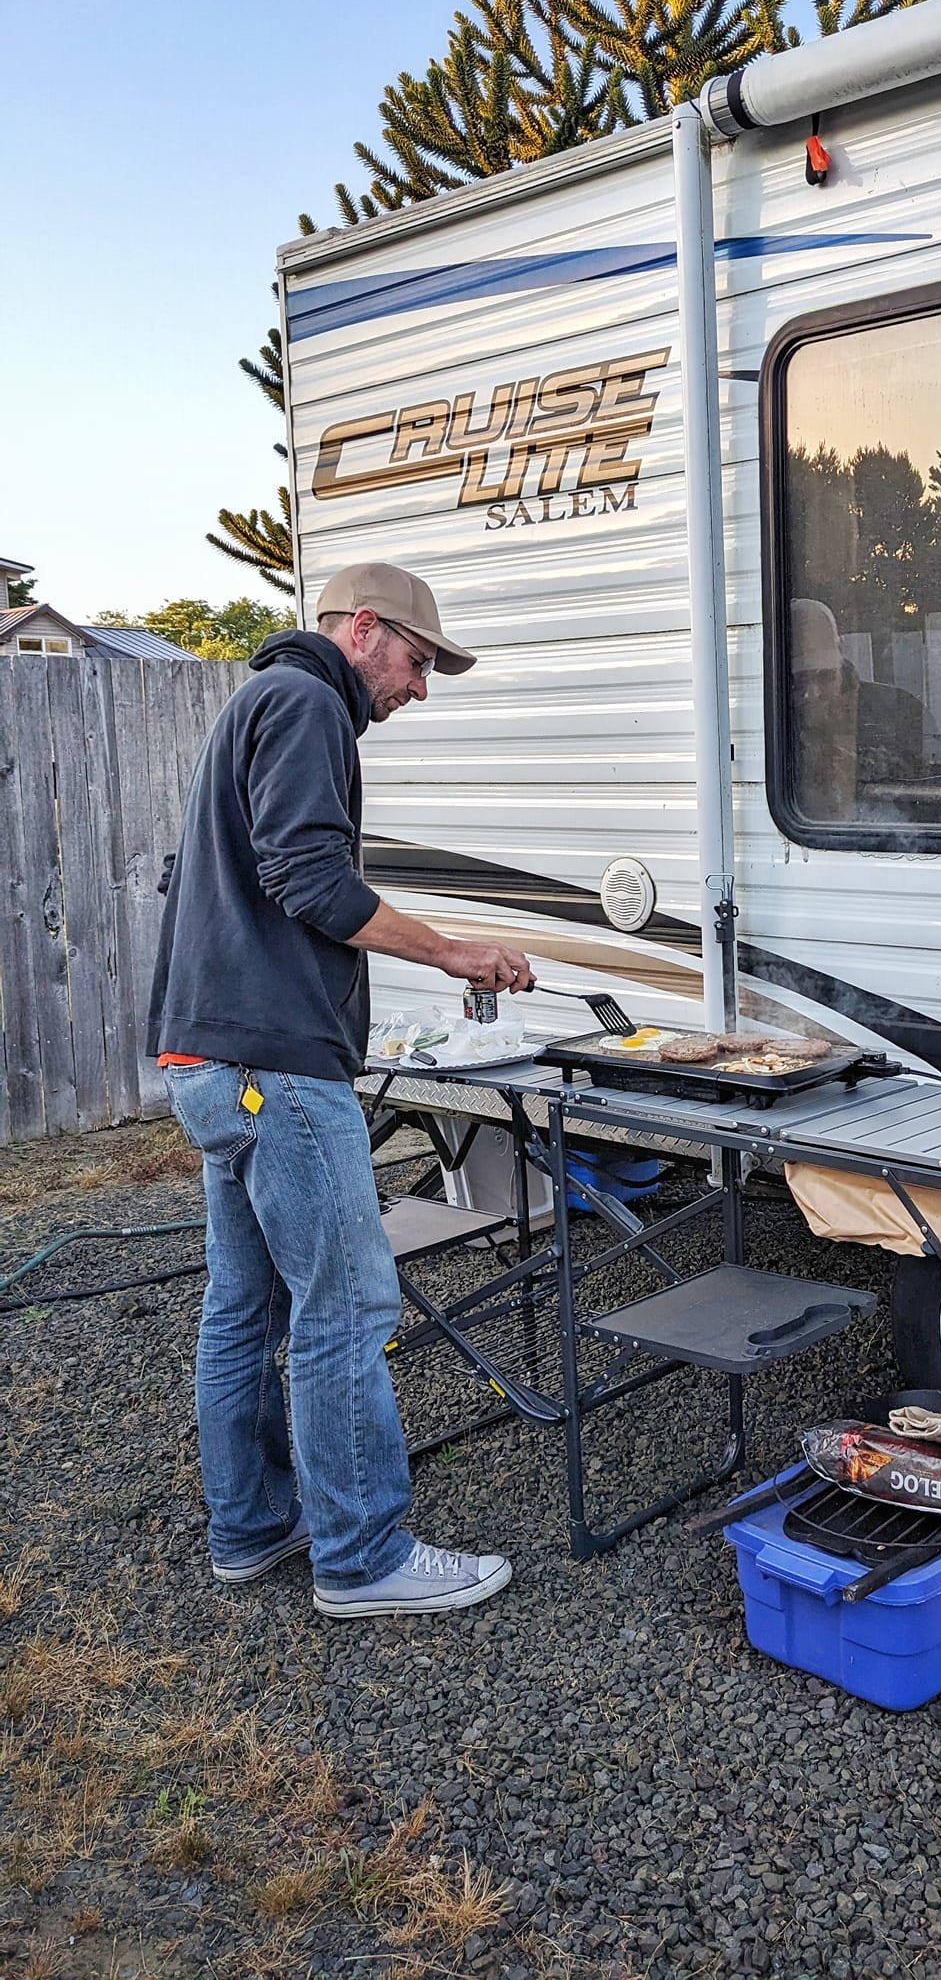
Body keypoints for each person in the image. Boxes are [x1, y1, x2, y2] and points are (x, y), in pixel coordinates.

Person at [147, 561, 533, 1619]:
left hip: (211, 1062)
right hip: (278, 1066)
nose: (419, 687)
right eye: (416, 661)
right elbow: (310, 880)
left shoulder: (259, 704)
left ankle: (254, 1526)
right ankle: (363, 1556)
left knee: (245, 1305)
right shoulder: (309, 701)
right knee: (347, 1306)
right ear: (361, 629)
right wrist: (453, 950)